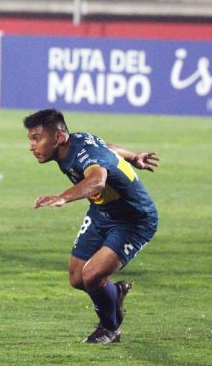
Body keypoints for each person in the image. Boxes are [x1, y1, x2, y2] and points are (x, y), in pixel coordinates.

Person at [24, 109, 159, 344]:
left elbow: (97, 181)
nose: (32, 146)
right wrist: (133, 156)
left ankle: (110, 328)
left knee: (93, 275)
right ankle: (114, 294)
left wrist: (63, 197)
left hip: (134, 219)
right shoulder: (77, 141)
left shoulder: (83, 153)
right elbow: (108, 147)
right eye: (31, 140)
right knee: (77, 278)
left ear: (58, 137)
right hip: (102, 213)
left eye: (37, 138)